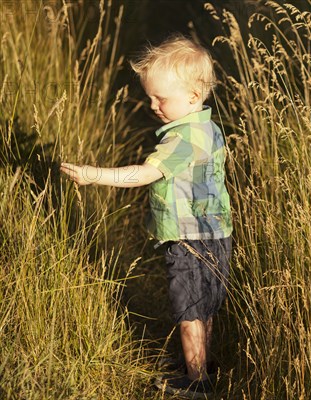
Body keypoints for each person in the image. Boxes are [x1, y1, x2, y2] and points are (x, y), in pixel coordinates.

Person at [60, 34, 233, 399]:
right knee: (204, 306)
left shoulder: (182, 141)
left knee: (188, 309)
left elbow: (143, 174)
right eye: (150, 96)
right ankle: (200, 364)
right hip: (216, 233)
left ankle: (196, 382)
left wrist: (94, 175)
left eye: (161, 99)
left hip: (189, 239)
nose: (153, 105)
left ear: (192, 97)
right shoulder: (209, 129)